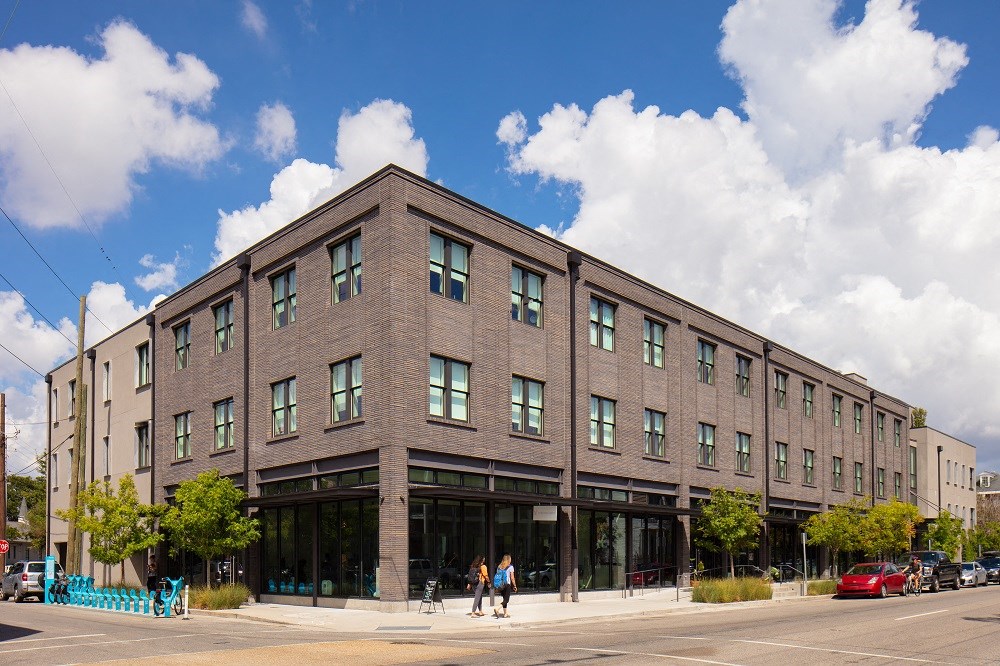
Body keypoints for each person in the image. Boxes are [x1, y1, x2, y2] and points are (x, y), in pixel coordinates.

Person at [492, 553, 518, 618]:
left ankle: (505, 613)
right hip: (507, 585)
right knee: (506, 600)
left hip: (501, 585)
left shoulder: (499, 566)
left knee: (504, 599)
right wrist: (514, 586)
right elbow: (512, 578)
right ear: (509, 560)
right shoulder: (510, 567)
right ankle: (497, 609)